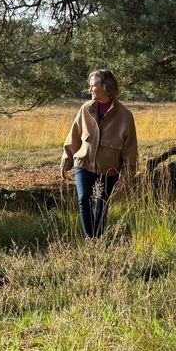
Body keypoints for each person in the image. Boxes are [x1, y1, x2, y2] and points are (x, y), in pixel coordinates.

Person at [61, 69, 139, 239]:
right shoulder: (85, 109)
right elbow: (74, 135)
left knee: (102, 206)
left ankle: (98, 240)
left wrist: (126, 176)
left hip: (109, 169)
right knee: (84, 198)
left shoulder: (125, 116)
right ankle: (90, 240)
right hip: (83, 163)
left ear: (106, 86)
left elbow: (130, 150)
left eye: (93, 86)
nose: (90, 90)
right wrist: (66, 160)